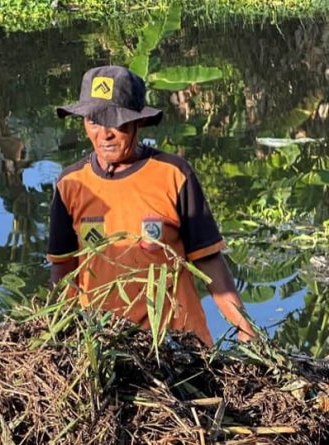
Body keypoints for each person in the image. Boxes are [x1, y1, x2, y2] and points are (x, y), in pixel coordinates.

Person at [47, 65, 254, 346]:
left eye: (116, 123)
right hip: (103, 343)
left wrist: (245, 328)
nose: (104, 134)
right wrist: (55, 333)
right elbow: (63, 269)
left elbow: (207, 259)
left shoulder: (173, 174)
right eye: (94, 121)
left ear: (139, 122)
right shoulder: (70, 184)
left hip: (177, 342)